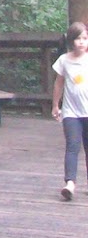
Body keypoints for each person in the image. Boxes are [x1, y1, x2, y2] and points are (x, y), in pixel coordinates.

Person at [52, 22, 88, 201]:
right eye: (77, 38)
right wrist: (55, 105)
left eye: (84, 38)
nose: (81, 42)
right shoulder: (64, 60)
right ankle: (70, 183)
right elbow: (59, 83)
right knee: (72, 146)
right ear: (71, 40)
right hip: (71, 112)